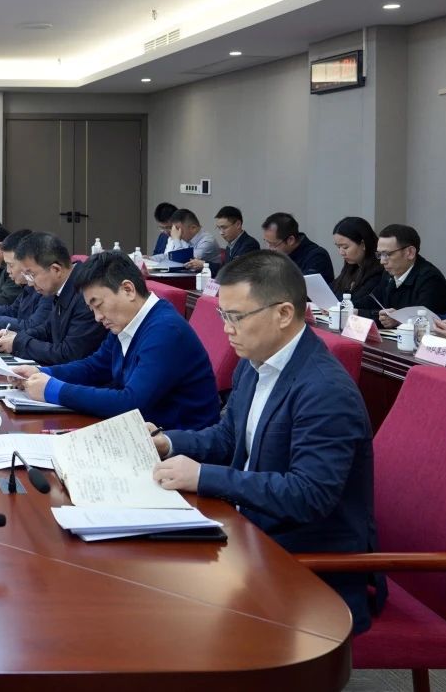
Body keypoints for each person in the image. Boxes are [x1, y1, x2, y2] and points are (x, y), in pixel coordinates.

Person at [151, 250, 380, 634]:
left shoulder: (325, 390)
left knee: (174, 609)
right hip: (252, 535)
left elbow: (308, 495)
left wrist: (204, 477)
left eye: (236, 317)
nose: (226, 329)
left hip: (309, 567)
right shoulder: (255, 362)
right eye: (223, 315)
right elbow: (228, 437)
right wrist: (168, 444)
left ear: (284, 314)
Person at [13, 252, 220, 430]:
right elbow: (95, 367)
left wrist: (53, 390)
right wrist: (42, 372)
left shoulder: (166, 330)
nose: (97, 317)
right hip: (141, 432)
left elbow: (131, 402)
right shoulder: (128, 321)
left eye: (98, 305)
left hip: (179, 447)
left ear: (128, 289)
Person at [0, 232, 106, 364]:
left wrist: (19, 343)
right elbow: (48, 329)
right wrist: (16, 337)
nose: (30, 283)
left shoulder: (85, 292)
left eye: (31, 275)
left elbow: (70, 354)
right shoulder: (63, 286)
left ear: (56, 269)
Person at [372, 224, 446, 326]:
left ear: (410, 252)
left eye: (387, 254)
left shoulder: (431, 279)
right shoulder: (389, 274)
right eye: (380, 254)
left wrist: (400, 320)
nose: (382, 261)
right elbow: (372, 303)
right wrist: (356, 311)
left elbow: (427, 321)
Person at [330, 217, 384, 316]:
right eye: (338, 247)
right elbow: (333, 290)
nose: (341, 252)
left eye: (345, 247)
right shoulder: (351, 266)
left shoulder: (379, 271)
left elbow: (357, 302)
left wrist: (335, 305)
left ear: (363, 244)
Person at [261, 212, 334, 284]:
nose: (268, 248)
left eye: (273, 244)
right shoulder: (277, 255)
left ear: (290, 240)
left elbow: (303, 287)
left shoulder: (317, 257)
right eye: (266, 242)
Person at [191, 205, 258, 274]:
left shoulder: (250, 244)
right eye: (219, 228)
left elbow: (234, 272)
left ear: (238, 224)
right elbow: (224, 268)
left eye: (224, 227)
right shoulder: (230, 245)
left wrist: (205, 265)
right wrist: (203, 265)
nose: (221, 232)